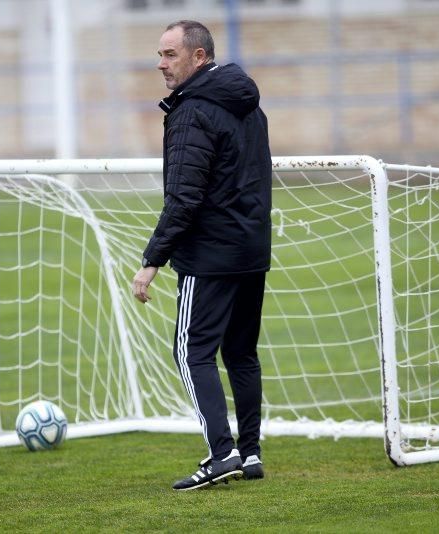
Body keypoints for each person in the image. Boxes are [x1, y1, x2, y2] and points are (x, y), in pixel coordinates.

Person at [132, 20, 272, 491]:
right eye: (160, 54)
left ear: (198, 57)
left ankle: (222, 453)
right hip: (251, 248)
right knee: (240, 353)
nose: (161, 63)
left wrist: (151, 261)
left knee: (191, 352)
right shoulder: (250, 105)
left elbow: (185, 197)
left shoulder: (193, 111)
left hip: (211, 254)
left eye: (170, 54)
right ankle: (250, 453)